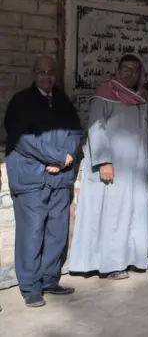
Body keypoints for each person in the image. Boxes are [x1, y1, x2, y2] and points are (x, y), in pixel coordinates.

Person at [4, 55, 82, 307]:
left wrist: (68, 158)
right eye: (41, 72)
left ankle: (49, 280)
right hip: (31, 179)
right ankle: (30, 286)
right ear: (33, 74)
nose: (46, 77)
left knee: (57, 231)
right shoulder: (21, 102)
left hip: (59, 178)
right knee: (32, 232)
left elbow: (75, 131)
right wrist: (59, 157)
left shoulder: (62, 101)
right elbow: (23, 139)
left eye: (50, 73)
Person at [69, 54, 148, 281]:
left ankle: (132, 259)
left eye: (135, 70)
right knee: (114, 216)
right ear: (117, 69)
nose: (130, 74)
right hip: (113, 167)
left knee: (133, 214)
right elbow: (97, 129)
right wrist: (104, 161)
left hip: (136, 168)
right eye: (126, 69)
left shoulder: (141, 97)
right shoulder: (104, 94)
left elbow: (144, 131)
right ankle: (110, 265)